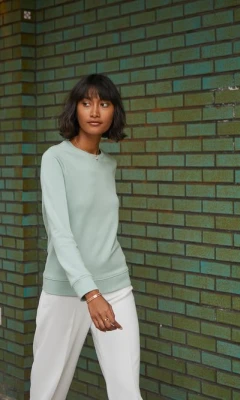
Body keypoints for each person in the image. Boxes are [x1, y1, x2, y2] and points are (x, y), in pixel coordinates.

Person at [30, 74, 143, 400]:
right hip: (67, 290)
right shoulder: (55, 159)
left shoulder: (108, 164)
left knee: (126, 388)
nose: (95, 111)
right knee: (48, 390)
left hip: (115, 286)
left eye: (104, 104)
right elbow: (60, 232)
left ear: (114, 112)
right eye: (86, 103)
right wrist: (91, 293)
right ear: (75, 109)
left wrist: (102, 290)